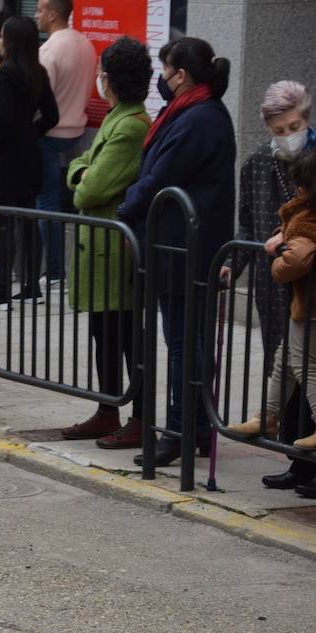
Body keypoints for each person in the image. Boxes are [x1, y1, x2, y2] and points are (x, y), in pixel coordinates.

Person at [230, 80, 316, 498]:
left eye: (295, 125)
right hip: (278, 284)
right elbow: (246, 221)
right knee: (288, 366)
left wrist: (299, 243)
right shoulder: (256, 165)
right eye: (279, 129)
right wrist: (234, 264)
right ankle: (299, 459)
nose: (288, 135)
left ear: (307, 118)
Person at [118, 37, 236, 468]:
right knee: (189, 341)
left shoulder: (200, 117)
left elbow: (160, 175)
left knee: (185, 343)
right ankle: (195, 427)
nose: (161, 81)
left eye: (164, 72)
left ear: (181, 75)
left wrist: (126, 205)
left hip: (185, 247)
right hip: (180, 244)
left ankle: (182, 428)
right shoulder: (194, 111)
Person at [61, 36, 153, 449]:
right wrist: (82, 171)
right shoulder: (118, 117)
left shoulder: (131, 125)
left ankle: (139, 415)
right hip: (99, 247)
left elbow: (88, 188)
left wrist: (82, 173)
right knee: (104, 334)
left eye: (103, 72)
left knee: (124, 337)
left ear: (112, 79)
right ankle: (107, 408)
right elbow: (81, 166)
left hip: (115, 252)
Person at [0, 15, 59, 307]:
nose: (0, 40)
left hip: (5, 157)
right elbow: (52, 115)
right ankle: (31, 285)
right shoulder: (37, 71)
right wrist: (31, 132)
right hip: (30, 154)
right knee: (28, 220)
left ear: (12, 40)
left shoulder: (5, 73)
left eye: (3, 36)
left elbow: (2, 119)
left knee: (4, 221)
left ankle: (3, 288)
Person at [35, 0, 97, 286]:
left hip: (49, 133)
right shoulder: (85, 44)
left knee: (46, 202)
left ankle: (56, 271)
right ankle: (56, 270)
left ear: (53, 14)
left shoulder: (48, 51)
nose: (36, 15)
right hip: (77, 130)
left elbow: (39, 97)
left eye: (39, 10)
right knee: (57, 198)